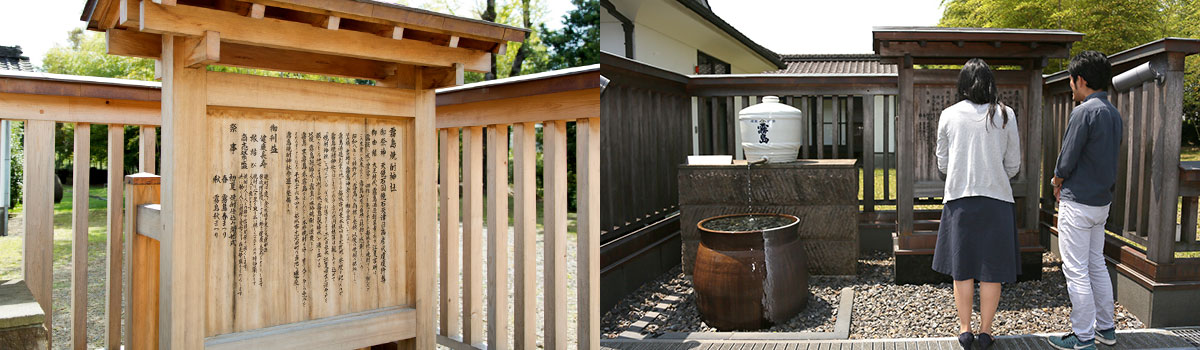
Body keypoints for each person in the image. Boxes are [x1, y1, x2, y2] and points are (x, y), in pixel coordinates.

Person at [933, 58, 1021, 350]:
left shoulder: (948, 115)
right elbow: (1013, 165)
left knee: (963, 268)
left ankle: (964, 329)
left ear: (962, 85)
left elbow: (943, 163)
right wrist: (993, 175)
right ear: (990, 83)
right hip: (997, 202)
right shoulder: (1006, 115)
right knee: (991, 270)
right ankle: (985, 332)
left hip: (960, 200)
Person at [1046, 50, 1122, 350]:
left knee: (1076, 270)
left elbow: (1067, 158)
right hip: (1100, 203)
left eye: (1071, 80)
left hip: (1077, 204)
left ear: (1081, 79)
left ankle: (1083, 336)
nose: (1070, 86)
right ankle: (1106, 329)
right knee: (1096, 265)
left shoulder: (1083, 112)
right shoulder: (1113, 113)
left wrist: (1055, 180)